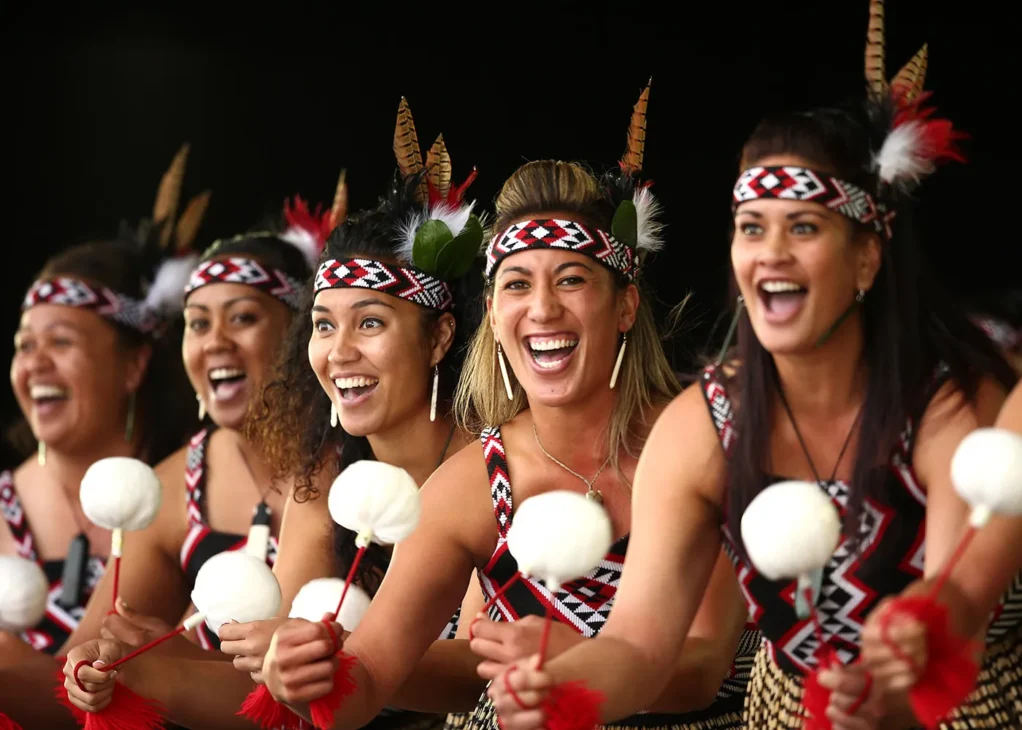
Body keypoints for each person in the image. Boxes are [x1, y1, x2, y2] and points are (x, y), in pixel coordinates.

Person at [486, 4, 1022, 729]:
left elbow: (962, 594)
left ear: (866, 256)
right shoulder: (702, 427)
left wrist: (915, 642)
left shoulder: (948, 401)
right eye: (750, 228)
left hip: (962, 707)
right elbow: (640, 646)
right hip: (790, 711)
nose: (770, 252)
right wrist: (567, 682)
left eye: (803, 227)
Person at [259, 83, 754, 730]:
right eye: (517, 284)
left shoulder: (698, 438)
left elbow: (700, 668)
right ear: (493, 313)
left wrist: (586, 668)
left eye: (571, 279)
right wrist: (314, 678)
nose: (542, 309)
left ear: (625, 305)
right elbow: (372, 677)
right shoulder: (471, 484)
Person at [62, 101, 491, 730]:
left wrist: (342, 661)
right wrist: (146, 665)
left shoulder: (489, 467)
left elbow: (471, 673)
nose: (339, 352)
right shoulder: (319, 476)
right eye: (323, 326)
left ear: (438, 337)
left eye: (369, 323)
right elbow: (280, 700)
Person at [0, 145, 205, 726]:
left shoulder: (188, 498)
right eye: (23, 346)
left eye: (60, 342)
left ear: (134, 366)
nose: (34, 364)